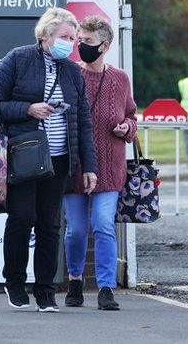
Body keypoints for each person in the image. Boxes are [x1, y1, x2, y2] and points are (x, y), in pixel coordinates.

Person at [0, 7, 97, 313]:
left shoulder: (73, 71)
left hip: (59, 160)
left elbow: (83, 121)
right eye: (64, 37)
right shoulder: (18, 59)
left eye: (73, 39)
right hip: (24, 155)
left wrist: (90, 167)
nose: (70, 43)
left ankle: (45, 290)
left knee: (50, 225)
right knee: (21, 219)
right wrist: (28, 109)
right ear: (46, 35)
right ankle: (15, 283)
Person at [63, 16, 136, 311]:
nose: (81, 46)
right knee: (76, 229)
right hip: (75, 165)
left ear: (105, 45)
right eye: (79, 40)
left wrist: (126, 129)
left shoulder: (120, 78)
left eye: (88, 42)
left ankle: (106, 288)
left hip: (109, 165)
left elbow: (132, 115)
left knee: (104, 224)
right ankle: (76, 280)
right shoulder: (70, 74)